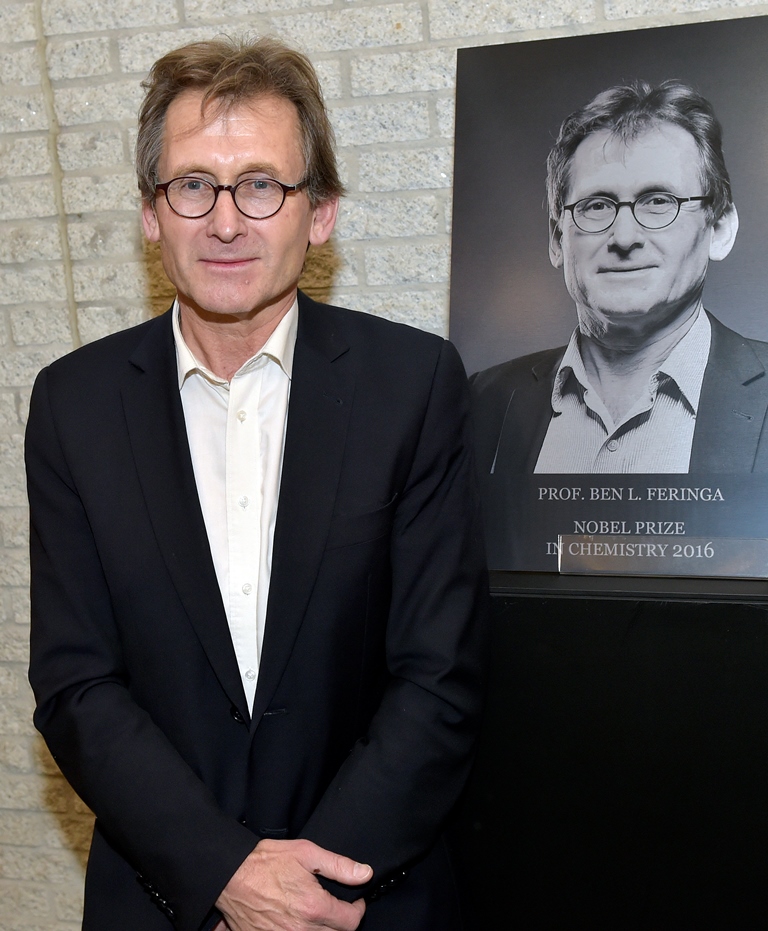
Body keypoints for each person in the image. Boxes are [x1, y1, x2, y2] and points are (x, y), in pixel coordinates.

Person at [26, 36, 488, 931]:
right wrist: (224, 873)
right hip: (163, 901)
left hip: (368, 898)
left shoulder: (415, 386)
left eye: (262, 185)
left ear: (321, 213)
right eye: (193, 185)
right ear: (152, 215)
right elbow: (77, 684)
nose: (226, 221)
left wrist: (304, 892)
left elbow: (440, 676)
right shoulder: (72, 405)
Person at [471, 80, 768, 475]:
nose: (625, 238)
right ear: (558, 239)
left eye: (659, 201)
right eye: (596, 205)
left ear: (719, 229)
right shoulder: (481, 401)